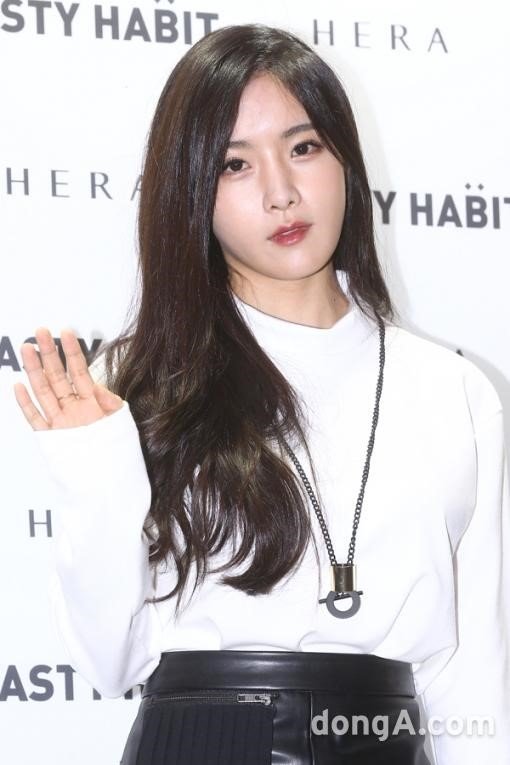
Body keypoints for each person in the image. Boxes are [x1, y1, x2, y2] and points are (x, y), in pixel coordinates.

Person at [13, 23, 509, 765]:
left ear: (345, 160)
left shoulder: (453, 390)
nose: (282, 193)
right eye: (235, 165)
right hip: (201, 742)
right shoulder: (139, 382)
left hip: (380, 742)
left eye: (304, 148)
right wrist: (96, 472)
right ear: (192, 193)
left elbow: (471, 676)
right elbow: (109, 661)